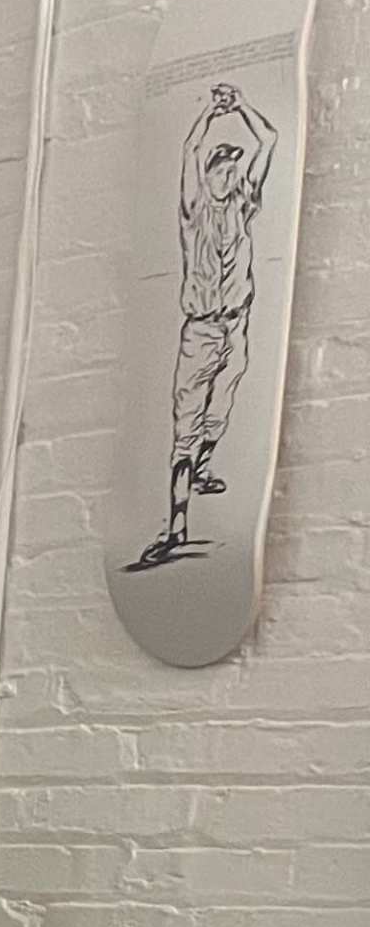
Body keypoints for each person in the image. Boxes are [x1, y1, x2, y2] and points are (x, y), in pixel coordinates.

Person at [133, 80, 278, 572]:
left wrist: (243, 105)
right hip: (200, 330)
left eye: (234, 166)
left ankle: (204, 467)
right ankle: (176, 526)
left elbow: (271, 140)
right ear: (211, 174)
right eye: (223, 167)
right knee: (186, 426)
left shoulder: (245, 206)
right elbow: (190, 148)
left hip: (235, 324)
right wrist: (212, 115)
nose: (231, 172)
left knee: (225, 403)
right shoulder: (193, 213)